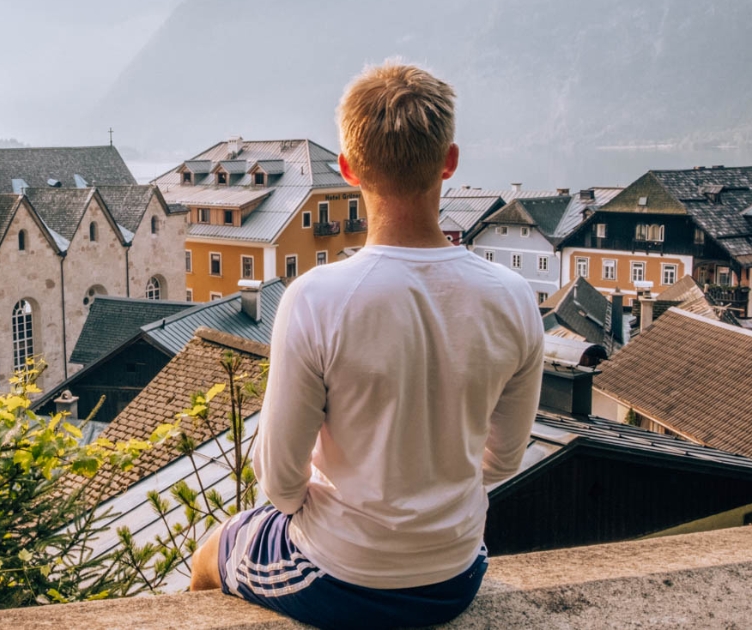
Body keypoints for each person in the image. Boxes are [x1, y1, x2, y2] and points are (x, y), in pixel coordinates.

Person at [189, 63, 544, 630]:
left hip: (341, 573)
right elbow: (502, 460)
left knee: (212, 551)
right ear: (449, 161)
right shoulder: (515, 298)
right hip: (456, 574)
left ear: (350, 169)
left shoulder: (316, 298)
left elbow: (280, 483)